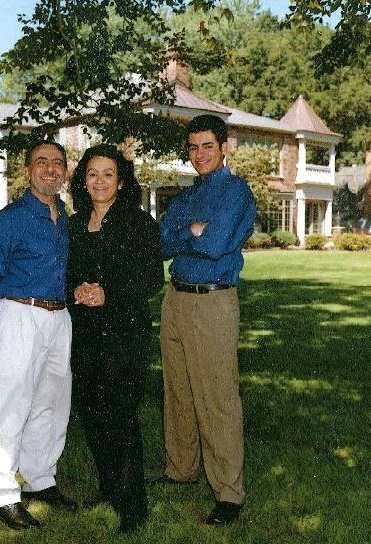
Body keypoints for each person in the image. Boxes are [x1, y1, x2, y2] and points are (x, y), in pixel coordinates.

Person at [155, 115, 256, 525]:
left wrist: (196, 234)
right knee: (177, 392)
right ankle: (180, 470)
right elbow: (161, 243)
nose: (199, 155)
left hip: (212, 303)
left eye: (207, 147)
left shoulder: (236, 193)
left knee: (216, 397)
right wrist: (189, 231)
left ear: (224, 146)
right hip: (175, 300)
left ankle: (228, 493)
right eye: (193, 147)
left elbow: (214, 245)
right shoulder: (185, 195)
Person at [0, 141, 76, 530]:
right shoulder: (10, 219)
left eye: (57, 163)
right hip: (18, 313)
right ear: (28, 170)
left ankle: (40, 478)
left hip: (58, 317)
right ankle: (0, 494)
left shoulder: (65, 217)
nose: (50, 169)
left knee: (51, 402)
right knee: (10, 402)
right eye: (41, 162)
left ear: (65, 171)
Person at [67, 144, 164, 533]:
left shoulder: (140, 225)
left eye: (108, 174)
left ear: (121, 182)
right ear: (83, 181)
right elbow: (67, 271)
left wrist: (109, 293)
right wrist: (76, 289)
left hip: (123, 330)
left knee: (120, 413)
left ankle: (133, 506)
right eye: (93, 174)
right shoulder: (74, 226)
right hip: (84, 332)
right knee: (91, 411)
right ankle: (109, 488)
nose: (100, 181)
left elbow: (152, 279)